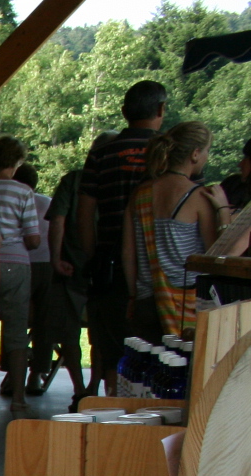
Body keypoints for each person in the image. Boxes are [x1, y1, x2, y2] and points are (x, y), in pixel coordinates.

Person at [79, 80, 166, 392]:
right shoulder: (169, 151)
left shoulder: (102, 152)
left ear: (124, 111)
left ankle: (114, 403)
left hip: (110, 261)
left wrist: (93, 256)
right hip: (158, 261)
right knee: (160, 348)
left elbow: (85, 212)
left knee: (114, 347)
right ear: (161, 109)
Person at [125, 122, 242, 341]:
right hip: (185, 304)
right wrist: (223, 210)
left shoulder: (139, 194)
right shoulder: (199, 197)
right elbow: (215, 256)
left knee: (146, 361)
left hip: (146, 300)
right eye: (207, 151)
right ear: (195, 154)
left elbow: (128, 254)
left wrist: (134, 295)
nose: (207, 157)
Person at [0, 136, 43, 417]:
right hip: (16, 265)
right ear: (16, 161)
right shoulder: (23, 191)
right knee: (16, 334)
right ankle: (17, 399)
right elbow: (33, 239)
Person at [38, 164, 91, 406]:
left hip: (71, 267)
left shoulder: (74, 180)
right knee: (102, 335)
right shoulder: (122, 177)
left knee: (68, 333)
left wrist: (56, 258)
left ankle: (80, 388)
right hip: (109, 269)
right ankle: (97, 386)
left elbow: (58, 219)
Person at [18, 163, 53, 395]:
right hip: (47, 265)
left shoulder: (15, 200)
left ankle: (12, 373)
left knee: (16, 319)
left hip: (22, 263)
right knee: (44, 322)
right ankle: (37, 374)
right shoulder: (47, 202)